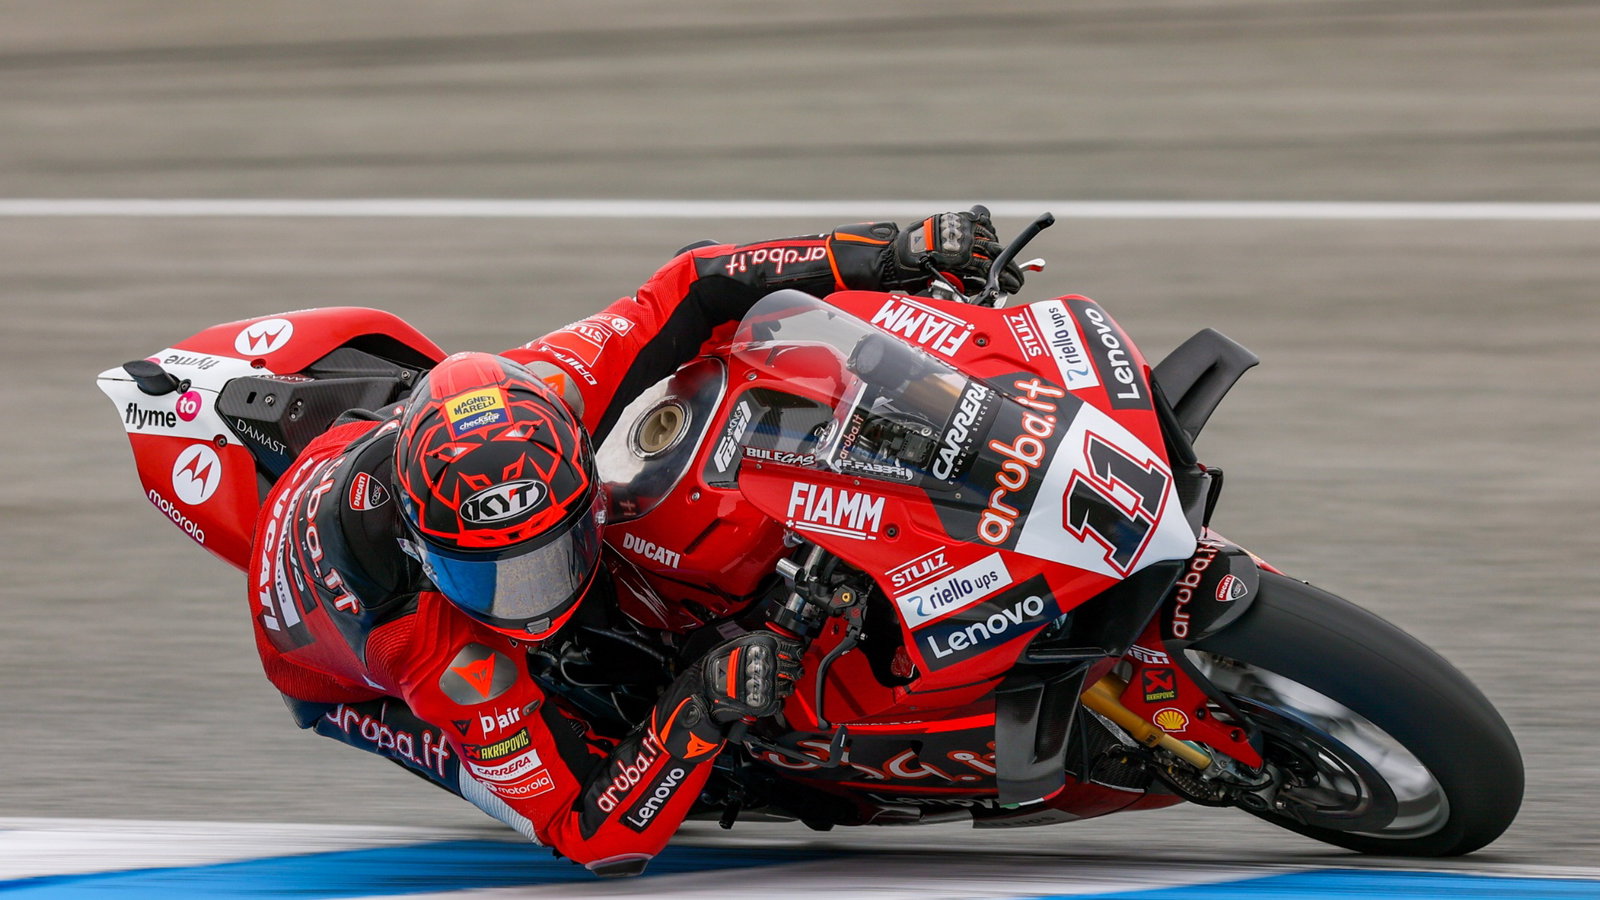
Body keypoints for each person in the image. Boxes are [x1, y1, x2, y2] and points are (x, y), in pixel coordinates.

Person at [248, 209, 1022, 876]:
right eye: (498, 577)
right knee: (589, 750)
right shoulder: (430, 651)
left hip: (372, 439)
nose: (536, 598)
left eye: (551, 557)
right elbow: (589, 839)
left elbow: (696, 281)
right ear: (424, 552)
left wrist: (890, 251)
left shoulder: (554, 389)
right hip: (349, 683)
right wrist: (699, 705)